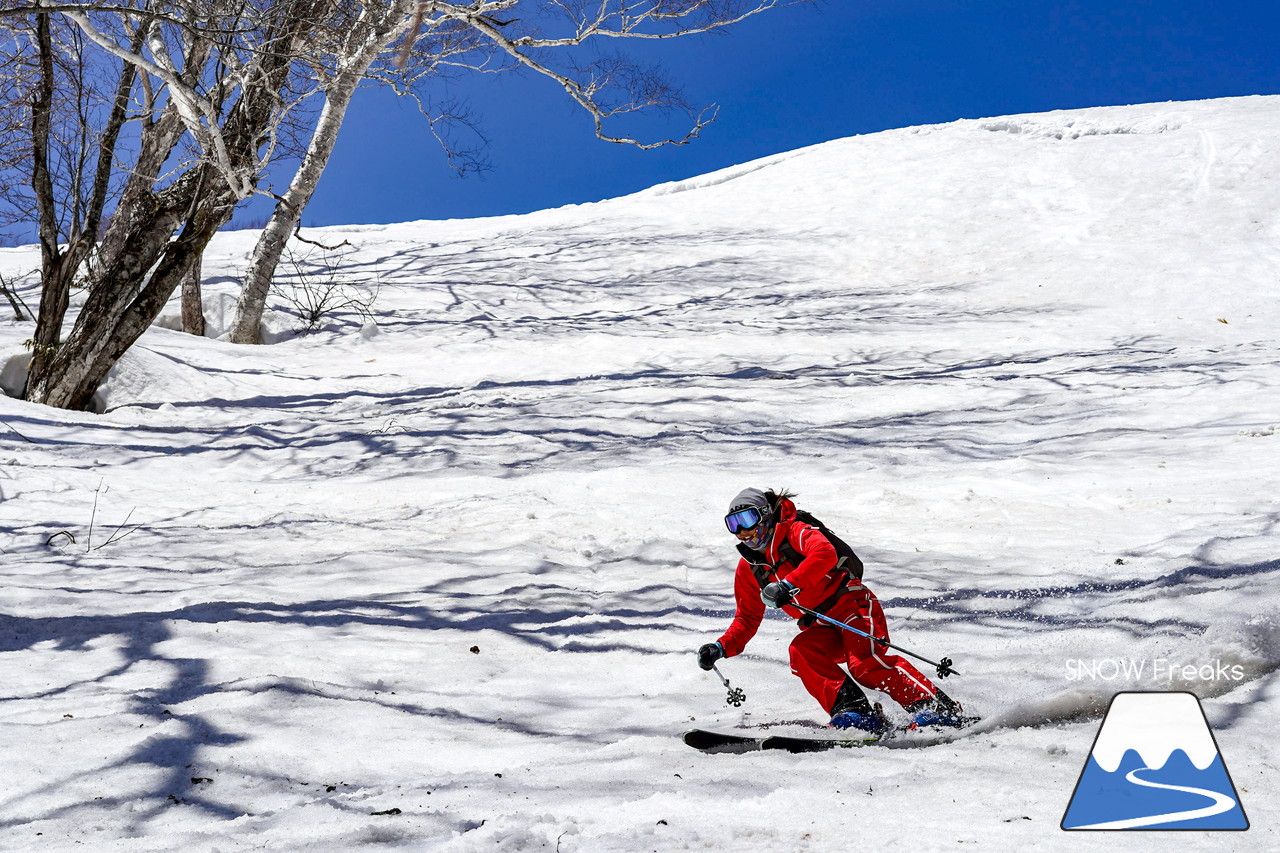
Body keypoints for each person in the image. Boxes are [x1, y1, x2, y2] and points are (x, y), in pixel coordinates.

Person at [697, 487, 966, 732]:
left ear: (765, 516)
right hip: (822, 624)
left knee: (865, 666)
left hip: (853, 609)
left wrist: (788, 584)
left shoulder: (795, 532)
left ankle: (935, 708)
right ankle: (855, 713)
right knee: (801, 650)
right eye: (733, 525)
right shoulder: (751, 569)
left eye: (747, 520)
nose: (742, 532)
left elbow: (824, 554)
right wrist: (721, 647)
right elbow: (747, 617)